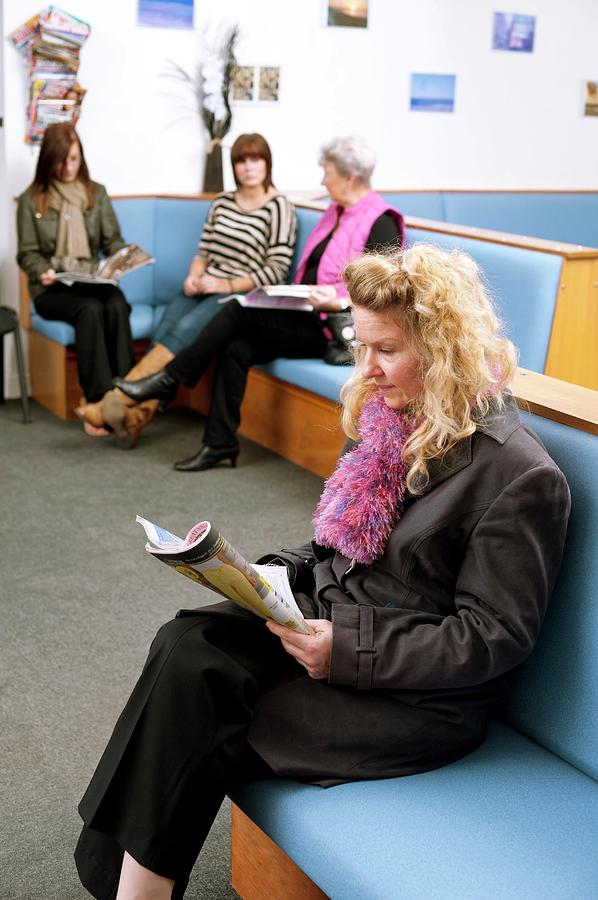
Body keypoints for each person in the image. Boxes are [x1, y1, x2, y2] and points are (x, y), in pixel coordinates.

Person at [74, 243, 570, 900]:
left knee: (198, 698)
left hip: (413, 700)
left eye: (385, 349)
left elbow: (492, 639)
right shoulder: (390, 418)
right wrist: (254, 579)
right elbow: (335, 551)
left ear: (445, 346)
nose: (366, 369)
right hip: (328, 627)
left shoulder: (520, 477)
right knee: (184, 641)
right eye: (361, 346)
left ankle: (134, 893)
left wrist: (348, 651)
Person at [113, 136, 405, 469]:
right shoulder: (337, 212)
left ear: (349, 177)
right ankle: (219, 443)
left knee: (237, 309)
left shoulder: (381, 220)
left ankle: (169, 379)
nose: (323, 180)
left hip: (336, 329)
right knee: (237, 346)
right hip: (308, 315)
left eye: (327, 173)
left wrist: (338, 298)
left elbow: (385, 289)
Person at [76, 132, 297, 447]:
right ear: (234, 166)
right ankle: (135, 418)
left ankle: (113, 402)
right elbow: (204, 251)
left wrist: (225, 284)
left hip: (240, 294)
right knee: (167, 326)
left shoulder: (279, 208)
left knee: (185, 331)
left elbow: (276, 270)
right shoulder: (222, 202)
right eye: (242, 160)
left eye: (256, 159)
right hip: (205, 284)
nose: (249, 167)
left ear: (267, 163)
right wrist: (193, 277)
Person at [16, 123, 136, 431]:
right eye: (61, 160)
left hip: (90, 280)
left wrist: (123, 259)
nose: (68, 167)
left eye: (74, 159)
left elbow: (113, 242)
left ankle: (125, 394)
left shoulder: (96, 193)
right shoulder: (32, 199)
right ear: (48, 161)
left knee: (117, 304)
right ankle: (98, 400)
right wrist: (40, 270)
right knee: (89, 309)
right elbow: (27, 252)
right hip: (51, 290)